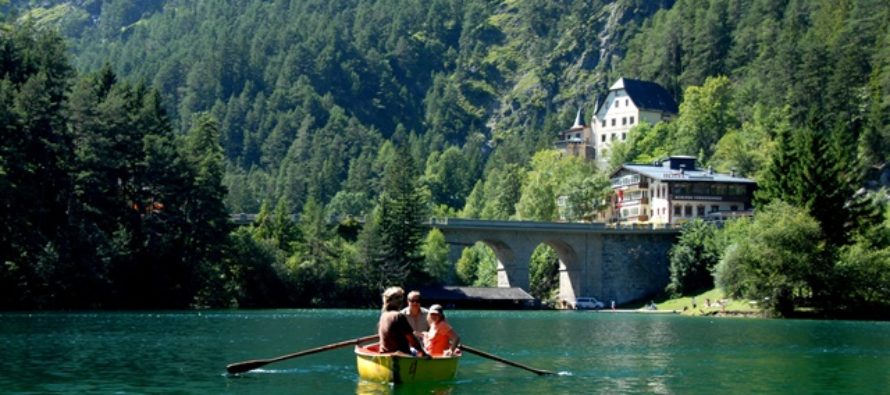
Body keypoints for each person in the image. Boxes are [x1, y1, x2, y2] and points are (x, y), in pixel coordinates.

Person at [378, 287, 429, 357]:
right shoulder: (398, 316)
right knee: (421, 352)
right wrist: (423, 353)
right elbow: (412, 340)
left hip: (385, 353)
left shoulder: (384, 315)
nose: (401, 300)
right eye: (398, 298)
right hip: (402, 355)